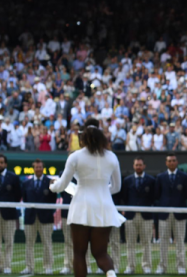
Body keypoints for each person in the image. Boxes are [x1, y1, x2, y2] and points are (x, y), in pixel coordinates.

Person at [49, 118, 125, 277]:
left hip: (81, 206)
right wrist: (101, 192)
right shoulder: (112, 157)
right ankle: (111, 274)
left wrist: (52, 185)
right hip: (105, 207)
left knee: (79, 253)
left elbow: (62, 185)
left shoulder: (75, 156)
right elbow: (117, 188)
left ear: (83, 137)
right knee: (101, 254)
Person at [154, 153, 187, 274]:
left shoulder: (184, 177)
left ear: (177, 162)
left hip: (180, 213)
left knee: (180, 241)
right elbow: (157, 195)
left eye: (173, 161)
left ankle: (181, 267)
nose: (171, 163)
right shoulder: (160, 177)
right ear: (166, 163)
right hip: (164, 213)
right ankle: (162, 267)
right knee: (163, 242)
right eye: (169, 161)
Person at [0, 153, 22, 274]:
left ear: (5, 164)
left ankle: (7, 266)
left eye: (1, 162)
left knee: (9, 242)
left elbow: (18, 196)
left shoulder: (13, 177)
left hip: (10, 214)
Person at [121, 157, 156, 274]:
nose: (138, 167)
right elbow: (124, 197)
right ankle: (130, 267)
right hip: (130, 216)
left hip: (146, 216)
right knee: (130, 243)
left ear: (144, 166)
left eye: (140, 165)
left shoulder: (151, 180)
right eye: (136, 165)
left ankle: (146, 266)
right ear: (133, 166)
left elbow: (153, 197)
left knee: (146, 243)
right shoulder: (127, 180)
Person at [22, 159, 57, 274]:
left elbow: (53, 200)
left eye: (40, 167)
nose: (38, 169)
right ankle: (29, 267)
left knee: (47, 243)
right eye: (36, 167)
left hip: (46, 218)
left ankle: (48, 267)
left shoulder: (50, 182)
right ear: (33, 168)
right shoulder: (26, 183)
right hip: (30, 218)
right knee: (29, 243)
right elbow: (26, 200)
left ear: (43, 168)